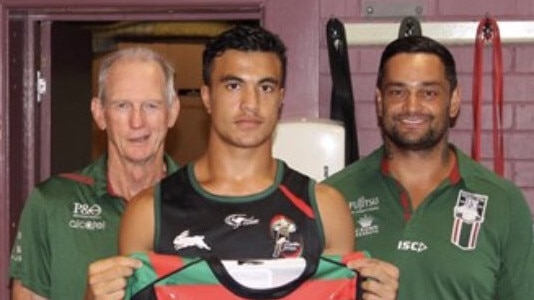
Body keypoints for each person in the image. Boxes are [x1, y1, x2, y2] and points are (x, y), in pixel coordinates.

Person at [86, 25, 398, 299]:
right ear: (207, 96)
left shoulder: (325, 209)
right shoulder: (148, 212)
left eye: (265, 87)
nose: (250, 104)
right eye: (234, 85)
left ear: (281, 98)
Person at [323, 35, 534, 300]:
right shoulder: (333, 197)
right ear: (379, 101)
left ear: (454, 100)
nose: (412, 106)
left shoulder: (503, 203)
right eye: (397, 92)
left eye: (429, 93)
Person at [9, 47, 181, 300]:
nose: (137, 122)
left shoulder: (205, 203)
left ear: (173, 111)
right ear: (100, 113)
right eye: (122, 106)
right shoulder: (52, 204)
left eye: (151, 106)